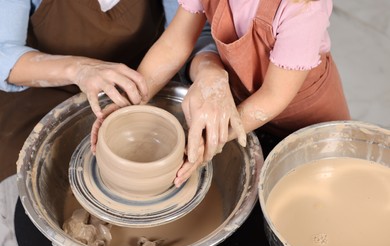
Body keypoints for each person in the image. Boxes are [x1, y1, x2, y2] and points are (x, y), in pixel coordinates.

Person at [96, 0, 351, 186]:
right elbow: (175, 44)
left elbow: (274, 96)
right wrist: (133, 100)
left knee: (317, 184)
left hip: (305, 111)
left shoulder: (304, 7)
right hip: (244, 96)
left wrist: (208, 139)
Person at [0, 0, 218, 182]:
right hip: (45, 88)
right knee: (27, 178)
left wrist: (208, 70)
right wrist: (78, 69)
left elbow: (188, 33)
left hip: (138, 82)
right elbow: (3, 52)